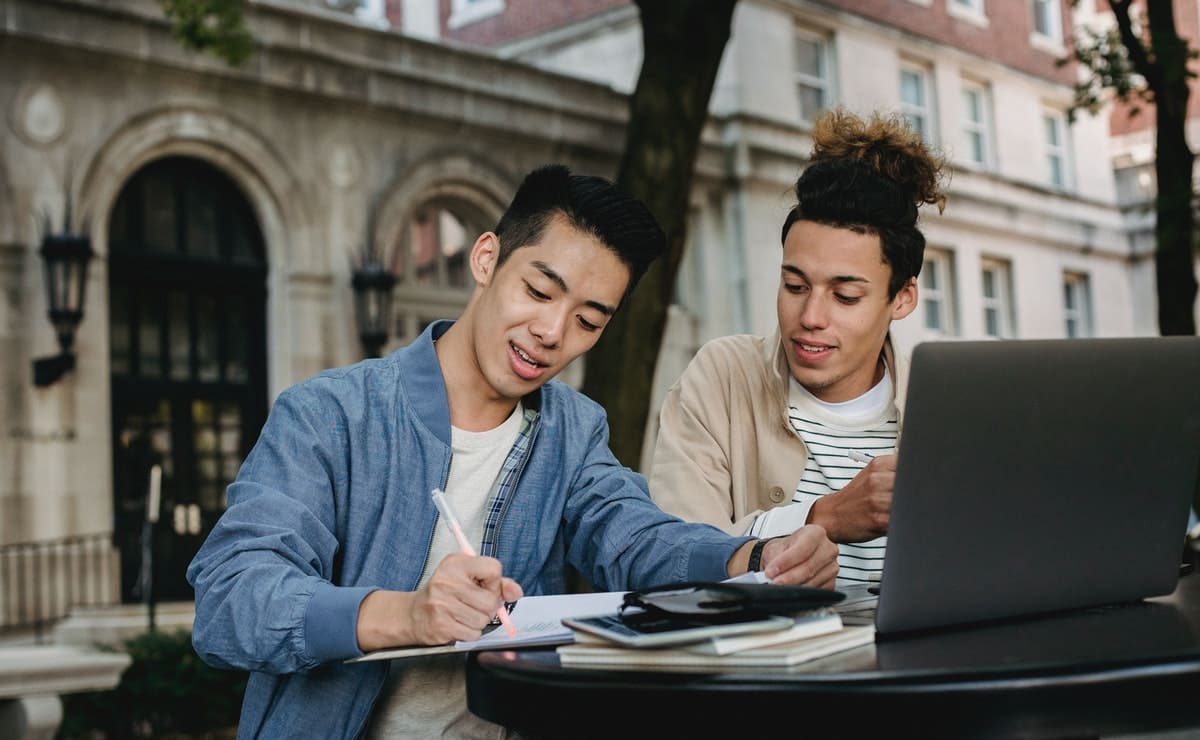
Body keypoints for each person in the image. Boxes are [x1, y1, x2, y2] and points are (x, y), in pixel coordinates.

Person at [187, 164, 839, 739]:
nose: (552, 332)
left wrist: (752, 556)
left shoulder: (573, 431)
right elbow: (230, 600)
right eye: (539, 290)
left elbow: (635, 538)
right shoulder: (330, 415)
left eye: (588, 320)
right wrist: (408, 615)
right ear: (486, 258)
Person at [650, 108, 947, 588]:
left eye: (845, 295)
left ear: (902, 298)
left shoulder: (943, 409)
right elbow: (668, 554)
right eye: (794, 285)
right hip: (765, 661)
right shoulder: (723, 377)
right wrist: (822, 517)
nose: (810, 317)